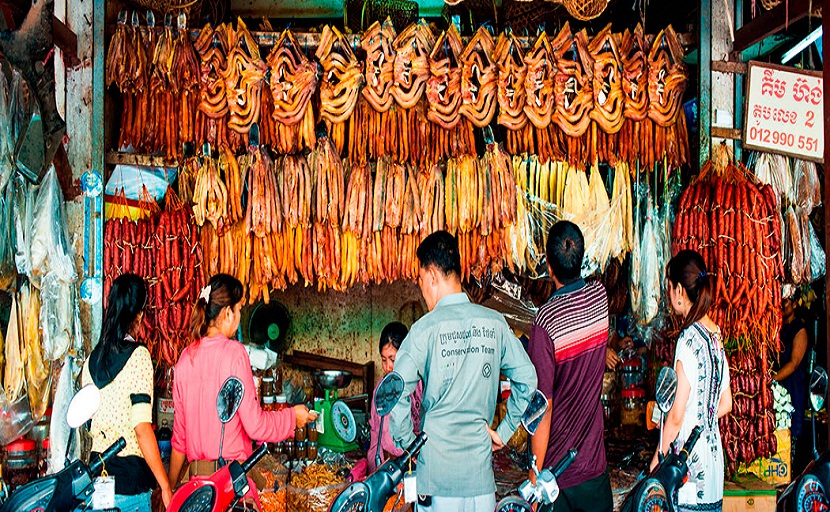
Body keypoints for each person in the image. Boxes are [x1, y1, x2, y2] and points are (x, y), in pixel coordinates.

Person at [389, 231, 537, 512]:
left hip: (435, 483)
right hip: (480, 485)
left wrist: (410, 445)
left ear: (432, 275)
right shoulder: (494, 324)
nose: (422, 288)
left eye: (421, 280)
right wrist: (503, 432)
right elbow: (527, 379)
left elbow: (396, 393)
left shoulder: (423, 330)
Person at [167, 274, 316, 496]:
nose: (239, 318)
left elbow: (180, 439)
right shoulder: (234, 353)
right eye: (238, 310)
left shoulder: (184, 359)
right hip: (229, 488)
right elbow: (255, 426)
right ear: (227, 313)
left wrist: (169, 490)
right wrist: (292, 417)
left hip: (196, 491)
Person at [528, 221, 613, 512]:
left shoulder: (545, 322)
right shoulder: (600, 298)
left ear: (549, 266)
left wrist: (535, 473)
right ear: (582, 258)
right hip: (594, 469)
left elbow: (543, 407)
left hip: (557, 476)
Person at [81, 273, 173, 511]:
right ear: (140, 314)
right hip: (129, 485)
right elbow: (141, 428)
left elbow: (90, 425)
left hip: (96, 483)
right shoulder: (138, 356)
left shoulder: (90, 362)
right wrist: (165, 485)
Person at [652, 250, 732, 511]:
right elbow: (725, 403)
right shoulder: (715, 334)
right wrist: (700, 419)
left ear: (678, 290)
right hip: (714, 461)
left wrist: (653, 467)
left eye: (669, 288)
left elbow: (675, 419)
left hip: (689, 468)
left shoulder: (688, 339)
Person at [368, 321, 423, 472]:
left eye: (393, 359)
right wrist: (377, 473)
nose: (387, 367)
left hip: (419, 463)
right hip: (390, 467)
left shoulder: (421, 386)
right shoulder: (380, 391)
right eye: (384, 359)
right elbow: (375, 437)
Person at [774, 291, 810, 448]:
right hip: (778, 391)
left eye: (787, 301)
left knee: (789, 437)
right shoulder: (777, 327)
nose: (782, 304)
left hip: (792, 388)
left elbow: (794, 363)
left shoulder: (800, 330)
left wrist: (771, 380)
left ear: (795, 304)